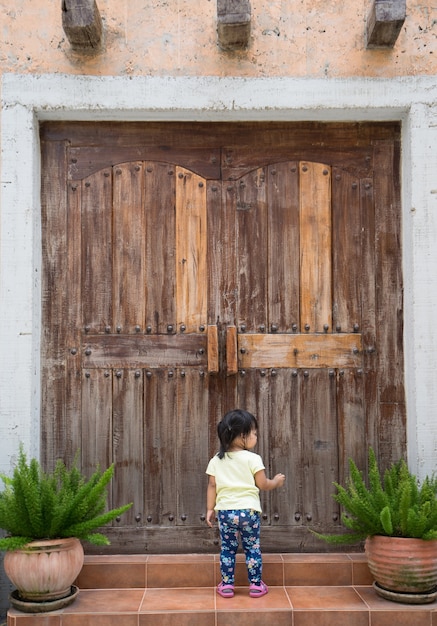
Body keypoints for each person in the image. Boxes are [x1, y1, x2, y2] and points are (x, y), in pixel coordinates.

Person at [206, 409, 285, 598]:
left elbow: (212, 485)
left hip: (225, 512)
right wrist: (276, 481)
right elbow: (263, 484)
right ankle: (256, 585)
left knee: (227, 549)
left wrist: (210, 508)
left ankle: (227, 585)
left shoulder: (217, 459)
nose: (256, 437)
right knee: (252, 548)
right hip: (248, 513)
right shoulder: (253, 458)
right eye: (254, 433)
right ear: (242, 436)